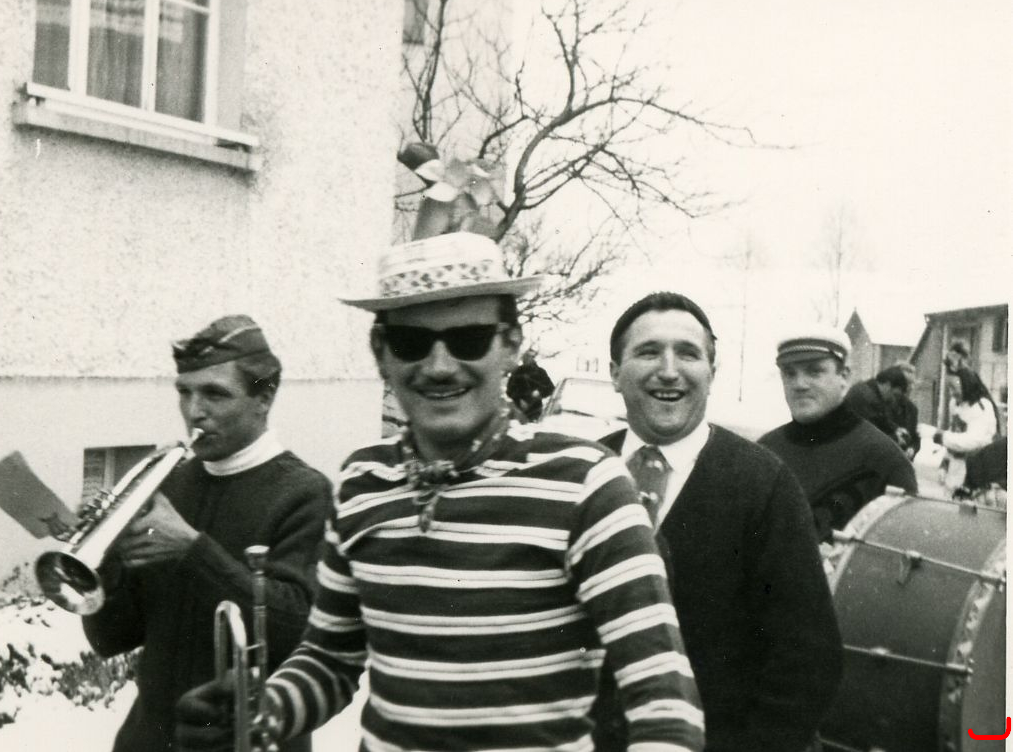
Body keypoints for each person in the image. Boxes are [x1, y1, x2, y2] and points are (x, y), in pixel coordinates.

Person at [175, 232, 705, 751]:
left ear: (511, 346)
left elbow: (664, 704)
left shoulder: (586, 482)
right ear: (380, 353)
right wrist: (261, 708)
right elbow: (330, 659)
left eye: (469, 339)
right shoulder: (361, 483)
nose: (439, 366)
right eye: (411, 343)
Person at [593, 292, 842, 752]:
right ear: (614, 372)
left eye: (688, 354)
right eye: (648, 352)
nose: (669, 370)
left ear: (712, 373)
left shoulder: (763, 484)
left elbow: (807, 660)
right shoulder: (579, 473)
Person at [83, 315, 332, 752]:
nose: (194, 411)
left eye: (215, 394)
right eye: (185, 392)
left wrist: (192, 551)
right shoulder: (170, 485)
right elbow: (112, 639)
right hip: (149, 738)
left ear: (264, 397)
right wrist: (103, 565)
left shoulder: (304, 493)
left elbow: (299, 637)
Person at [758, 325, 918, 543]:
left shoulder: (885, 460)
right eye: (789, 373)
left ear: (844, 377)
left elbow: (902, 553)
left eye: (814, 371)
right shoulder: (764, 453)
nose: (799, 384)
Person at [935, 367, 999, 496]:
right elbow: (954, 434)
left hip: (977, 469)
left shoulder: (982, 407)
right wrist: (944, 464)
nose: (952, 393)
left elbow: (972, 441)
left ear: (967, 385)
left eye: (954, 388)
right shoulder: (955, 404)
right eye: (949, 388)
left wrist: (938, 436)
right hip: (956, 469)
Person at [842, 365, 907, 441]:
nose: (893, 400)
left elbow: (880, 419)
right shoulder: (867, 397)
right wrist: (895, 438)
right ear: (887, 385)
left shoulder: (869, 389)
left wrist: (895, 428)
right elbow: (870, 433)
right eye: (895, 395)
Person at [505, 349, 555, 421]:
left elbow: (550, 388)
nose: (525, 359)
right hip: (518, 410)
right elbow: (509, 390)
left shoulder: (540, 372)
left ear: (533, 358)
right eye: (525, 357)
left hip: (534, 411)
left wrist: (539, 392)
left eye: (529, 357)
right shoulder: (517, 371)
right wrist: (519, 400)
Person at [889, 361, 921, 459]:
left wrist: (912, 449)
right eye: (907, 383)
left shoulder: (912, 409)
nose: (910, 388)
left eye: (912, 384)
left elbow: (915, 438)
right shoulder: (881, 405)